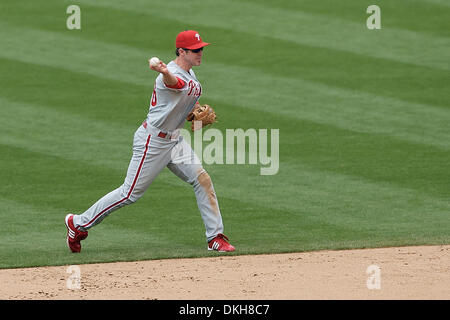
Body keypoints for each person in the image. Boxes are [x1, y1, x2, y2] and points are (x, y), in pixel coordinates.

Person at [65, 30, 235, 253]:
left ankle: (215, 237)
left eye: (201, 48)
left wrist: (196, 112)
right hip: (153, 142)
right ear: (181, 52)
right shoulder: (168, 75)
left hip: (175, 141)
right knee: (129, 193)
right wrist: (164, 71)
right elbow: (173, 84)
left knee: (202, 179)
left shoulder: (192, 75)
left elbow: (186, 99)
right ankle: (77, 223)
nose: (200, 52)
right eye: (195, 50)